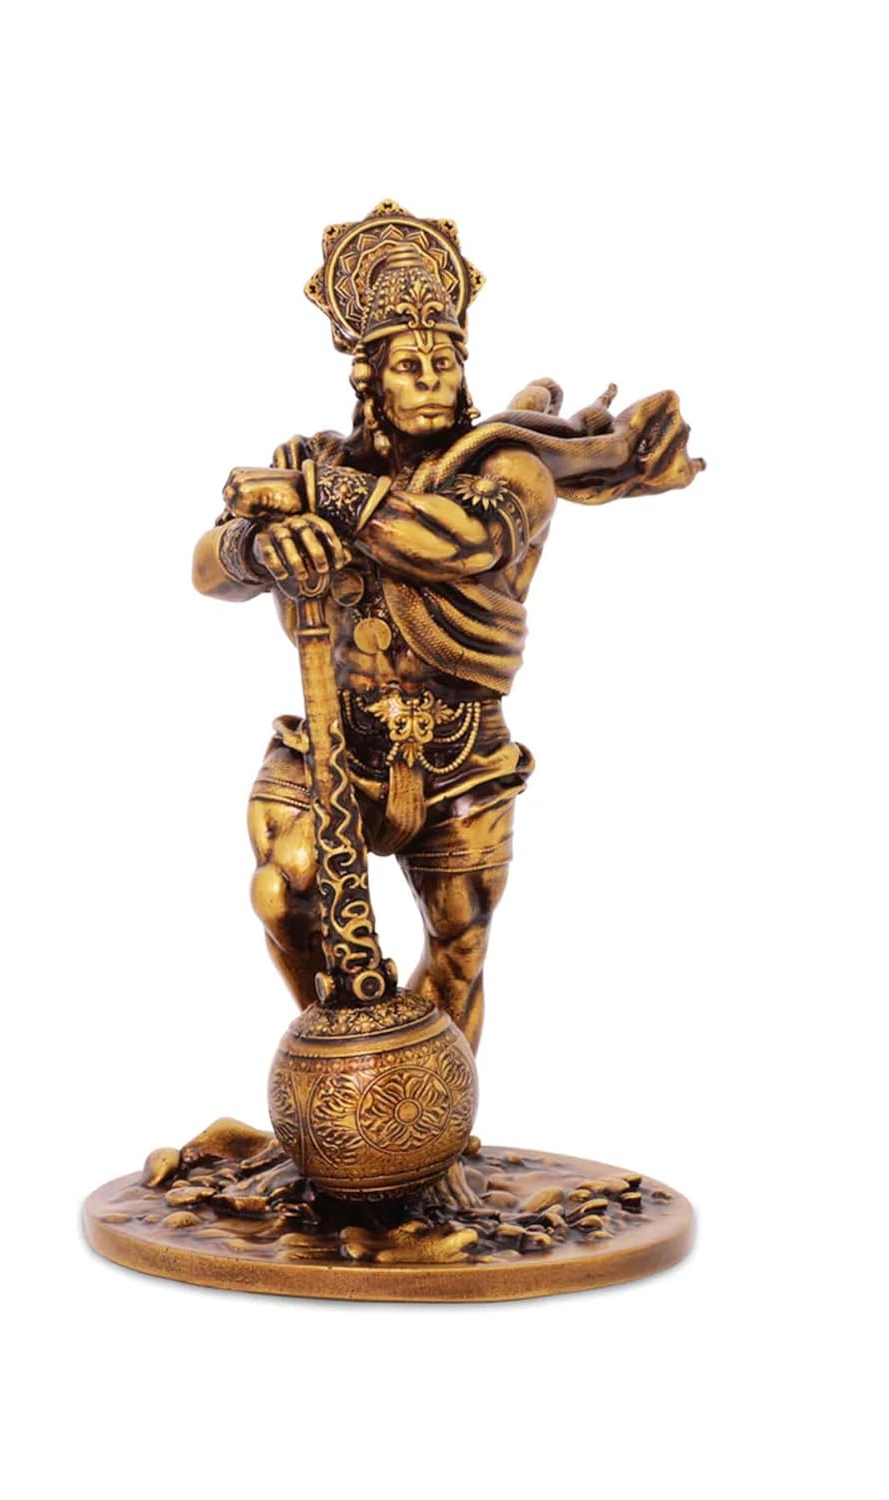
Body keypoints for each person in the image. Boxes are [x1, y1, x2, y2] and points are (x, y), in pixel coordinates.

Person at [191, 203, 701, 1052]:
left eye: (444, 363)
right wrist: (260, 544)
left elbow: (450, 543)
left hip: (461, 746)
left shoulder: (510, 468)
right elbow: (208, 567)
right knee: (285, 889)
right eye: (409, 365)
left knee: (458, 948)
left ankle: (437, 1110)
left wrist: (316, 499)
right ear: (371, 383)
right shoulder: (314, 458)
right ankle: (348, 1071)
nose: (430, 380)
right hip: (334, 736)